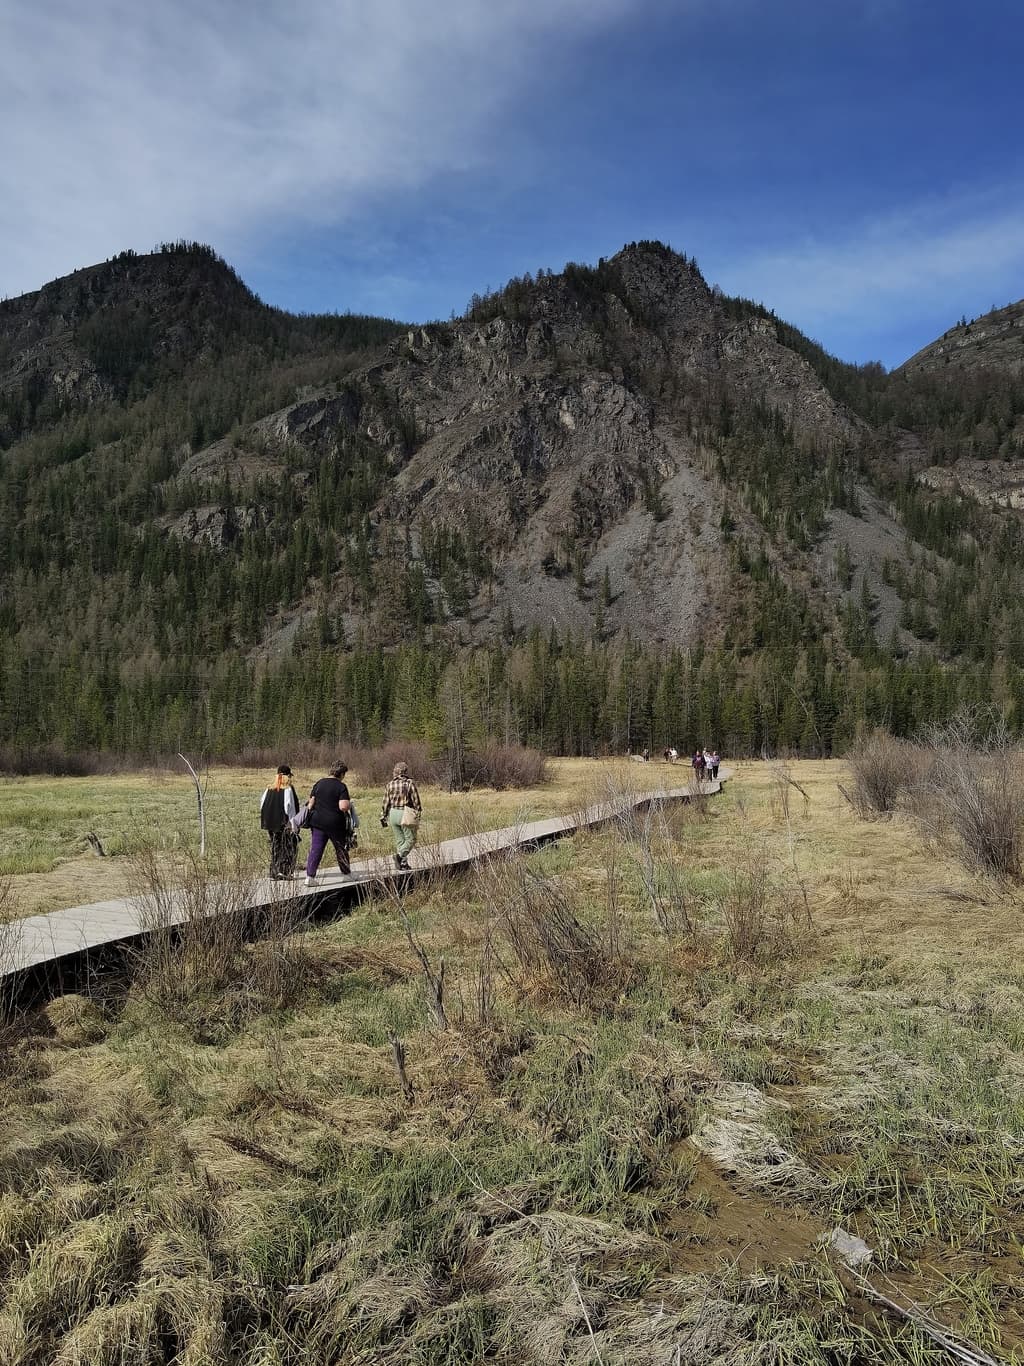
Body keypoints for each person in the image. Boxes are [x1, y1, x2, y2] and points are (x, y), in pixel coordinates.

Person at [304, 761, 353, 886]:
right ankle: (346, 874)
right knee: (340, 848)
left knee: (316, 848)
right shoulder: (341, 786)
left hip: (317, 821)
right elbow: (343, 806)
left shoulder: (319, 783)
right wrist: (349, 804)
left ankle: (309, 877)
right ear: (341, 773)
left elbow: (311, 802)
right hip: (335, 823)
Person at [259, 765, 301, 879]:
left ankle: (274, 871)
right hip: (283, 823)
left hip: (269, 822)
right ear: (288, 776)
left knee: (275, 845)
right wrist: (294, 825)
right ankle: (284, 871)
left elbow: (262, 805)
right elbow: (290, 808)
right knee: (287, 845)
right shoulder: (288, 789)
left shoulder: (269, 789)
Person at [380, 760, 422, 870]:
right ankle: (399, 857)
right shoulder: (409, 783)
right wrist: (418, 813)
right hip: (405, 812)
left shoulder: (389, 784)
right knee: (411, 839)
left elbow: (385, 802)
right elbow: (416, 800)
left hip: (393, 813)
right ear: (405, 771)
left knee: (400, 840)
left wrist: (384, 815)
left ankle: (403, 864)